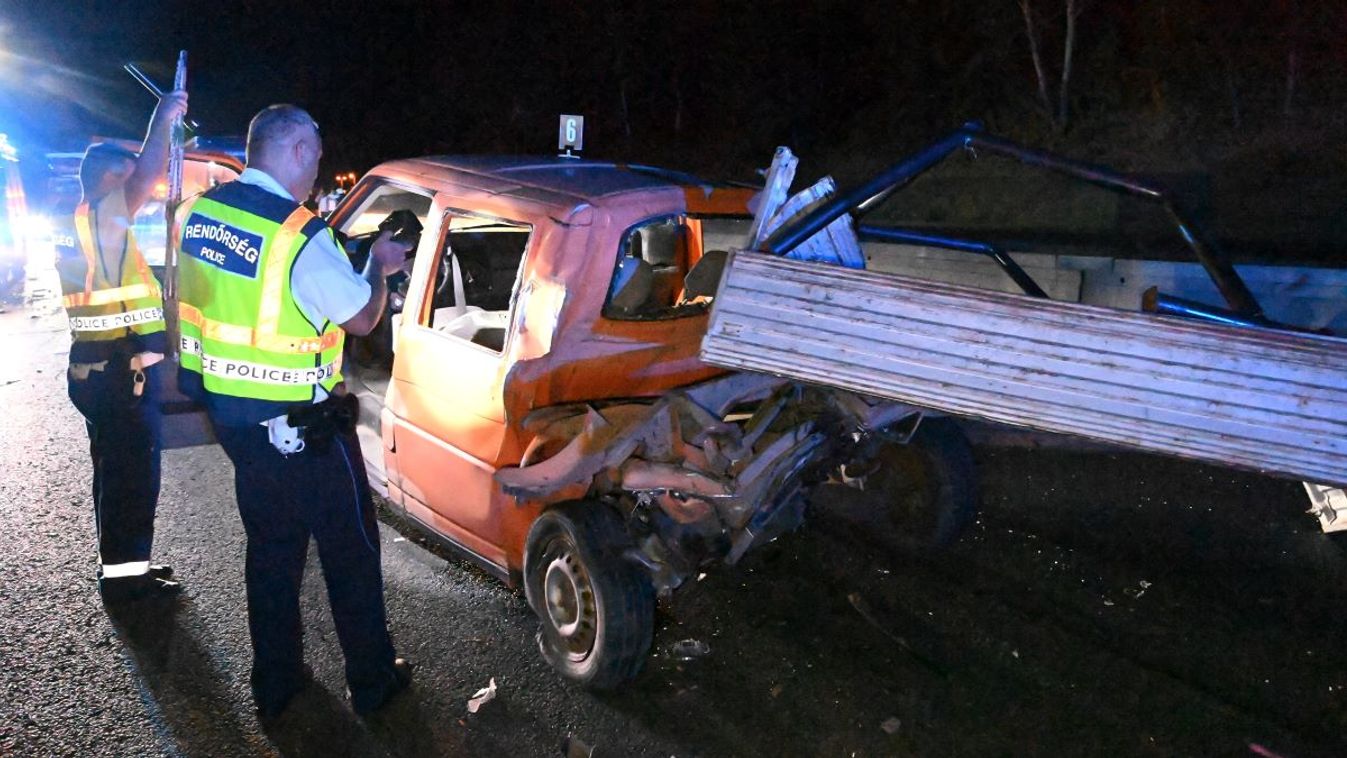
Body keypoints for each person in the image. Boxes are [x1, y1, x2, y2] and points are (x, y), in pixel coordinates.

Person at [174, 104, 412, 720]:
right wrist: (379, 267)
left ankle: (276, 683)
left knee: (273, 552)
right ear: (301, 150)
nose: (317, 171)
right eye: (317, 155)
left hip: (233, 422)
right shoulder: (299, 237)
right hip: (301, 430)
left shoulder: (201, 214)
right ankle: (372, 680)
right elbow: (361, 316)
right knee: (351, 552)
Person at [55, 91, 189, 604]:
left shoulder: (86, 223)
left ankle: (125, 571)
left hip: (99, 370)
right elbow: (147, 174)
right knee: (132, 481)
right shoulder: (101, 217)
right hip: (118, 374)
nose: (144, 190)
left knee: (117, 477)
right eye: (129, 177)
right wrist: (162, 116)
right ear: (110, 179)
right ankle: (128, 586)